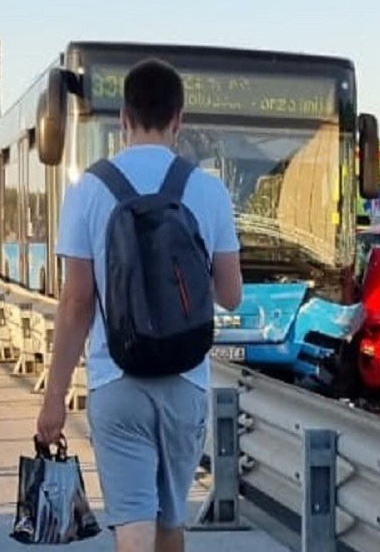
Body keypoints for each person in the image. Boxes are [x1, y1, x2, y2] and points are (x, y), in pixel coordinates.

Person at [36, 59, 243, 552]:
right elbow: (231, 295)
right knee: (170, 521)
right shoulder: (208, 189)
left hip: (116, 380)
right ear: (179, 121)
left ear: (123, 119)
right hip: (186, 383)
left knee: (132, 522)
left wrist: (54, 399)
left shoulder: (88, 189)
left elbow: (76, 303)